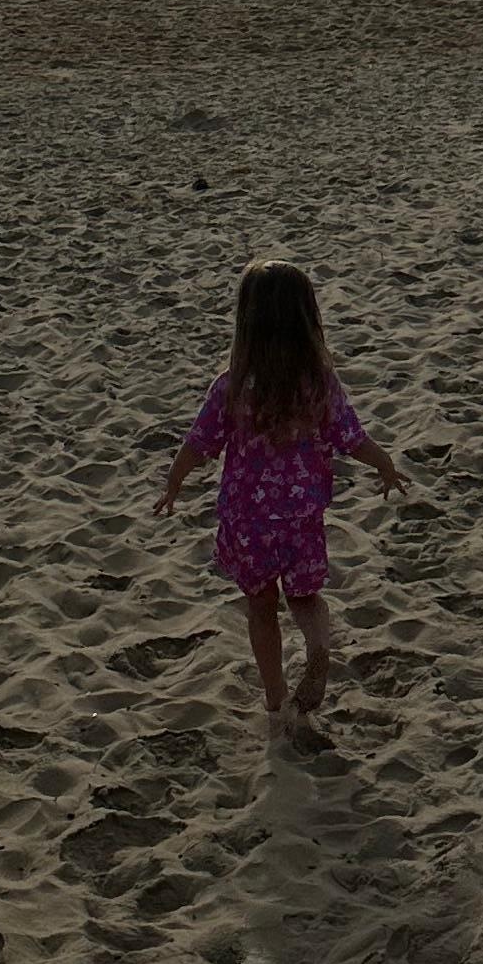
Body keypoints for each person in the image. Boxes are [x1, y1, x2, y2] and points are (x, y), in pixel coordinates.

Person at [155, 259, 410, 747]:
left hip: (247, 521)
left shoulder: (231, 386)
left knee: (260, 607)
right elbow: (352, 438)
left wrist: (174, 481)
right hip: (301, 517)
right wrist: (385, 463)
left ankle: (275, 703)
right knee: (305, 597)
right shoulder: (317, 383)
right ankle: (317, 645)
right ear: (307, 319)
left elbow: (199, 442)